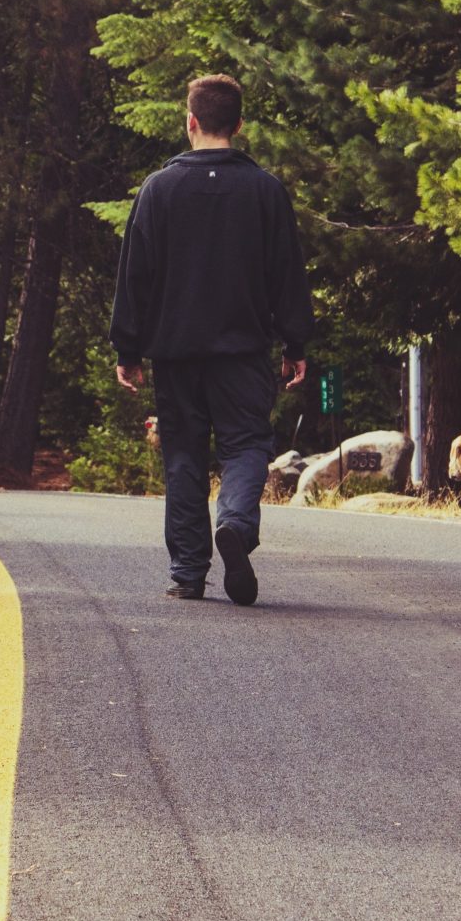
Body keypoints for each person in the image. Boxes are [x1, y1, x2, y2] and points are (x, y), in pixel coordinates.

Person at [109, 74, 315, 605]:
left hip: (175, 353)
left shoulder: (159, 189)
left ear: (191, 121)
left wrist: (128, 348)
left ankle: (187, 572)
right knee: (246, 445)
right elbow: (287, 274)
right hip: (243, 351)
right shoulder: (265, 191)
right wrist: (294, 344)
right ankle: (236, 525)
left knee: (183, 454)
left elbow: (136, 275)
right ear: (239, 125)